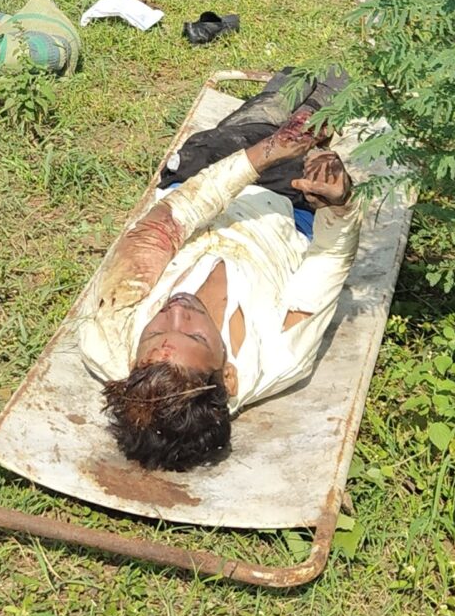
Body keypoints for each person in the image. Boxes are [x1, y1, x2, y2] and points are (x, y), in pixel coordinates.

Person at [78, 119, 359, 471]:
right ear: (228, 376)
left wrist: (262, 153)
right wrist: (339, 204)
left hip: (201, 178)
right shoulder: (280, 353)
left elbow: (166, 223)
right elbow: (329, 258)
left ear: (133, 362)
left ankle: (287, 121)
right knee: (330, 96)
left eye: (154, 331)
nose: (176, 310)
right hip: (287, 206)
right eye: (194, 334)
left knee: (268, 115)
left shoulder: (106, 333)